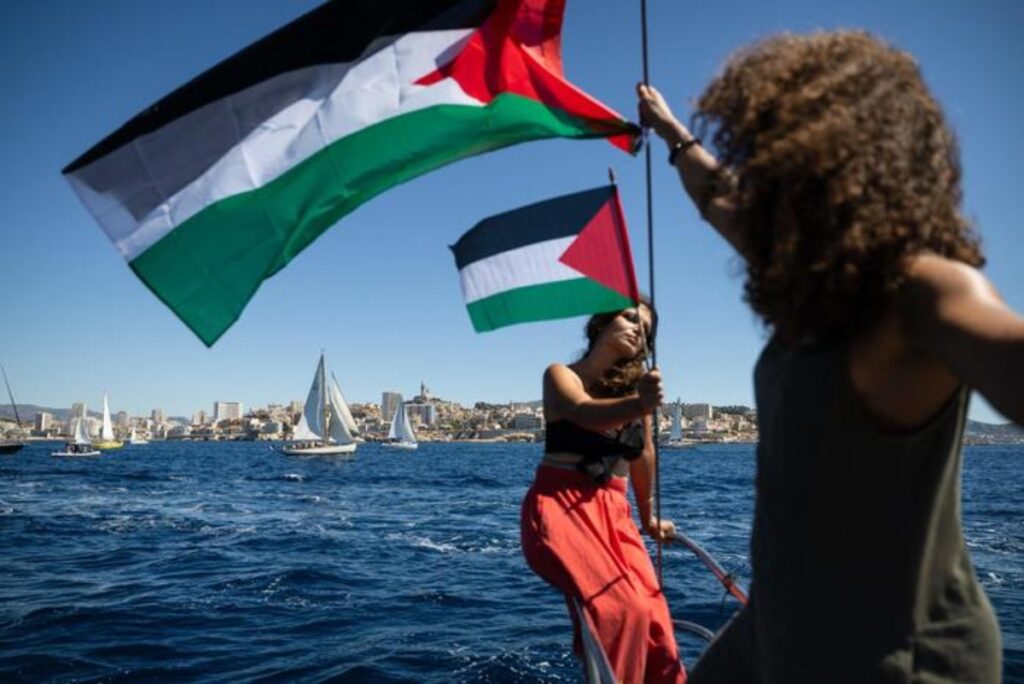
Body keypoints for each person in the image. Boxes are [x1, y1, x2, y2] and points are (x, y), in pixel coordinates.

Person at [638, 30, 1023, 683]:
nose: (757, 177)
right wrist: (673, 132)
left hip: (895, 660)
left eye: (772, 159)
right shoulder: (810, 283)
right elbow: (717, 199)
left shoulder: (920, 289)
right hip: (777, 627)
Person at [520, 301, 686, 683]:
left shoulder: (636, 393)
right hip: (561, 508)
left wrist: (648, 519)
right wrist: (638, 403)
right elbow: (582, 412)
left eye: (645, 328)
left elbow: (643, 456)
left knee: (654, 612)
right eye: (629, 317)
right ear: (601, 322)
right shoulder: (561, 375)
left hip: (615, 512)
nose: (636, 329)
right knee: (620, 609)